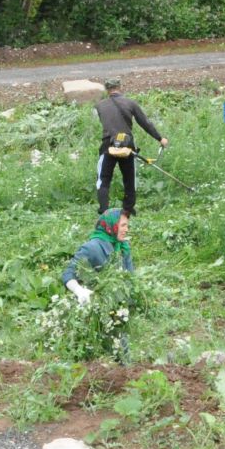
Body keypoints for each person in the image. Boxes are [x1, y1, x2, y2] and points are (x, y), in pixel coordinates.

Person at [94, 78, 166, 216]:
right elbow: (145, 123)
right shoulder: (130, 103)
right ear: (119, 87)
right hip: (127, 145)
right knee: (129, 177)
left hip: (108, 144)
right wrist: (160, 138)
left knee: (103, 178)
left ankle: (104, 209)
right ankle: (128, 208)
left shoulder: (99, 106)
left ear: (107, 89)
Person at [60, 208, 134, 303]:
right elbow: (68, 274)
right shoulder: (92, 248)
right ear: (111, 226)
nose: (126, 229)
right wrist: (79, 290)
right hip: (96, 300)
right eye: (123, 225)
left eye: (127, 225)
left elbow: (130, 275)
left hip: (120, 301)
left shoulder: (123, 246)